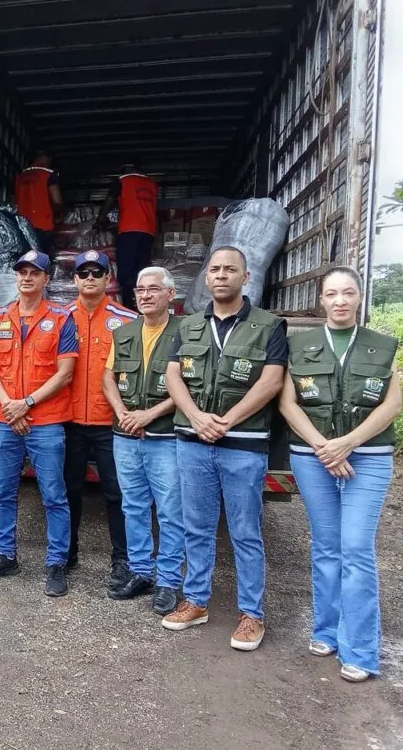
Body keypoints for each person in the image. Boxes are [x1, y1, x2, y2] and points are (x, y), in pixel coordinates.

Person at [162, 247, 287, 651]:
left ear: (245, 277)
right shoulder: (188, 325)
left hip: (243, 445)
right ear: (207, 278)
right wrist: (197, 417)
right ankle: (196, 602)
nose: (220, 275)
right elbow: (173, 376)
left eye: (229, 269)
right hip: (193, 441)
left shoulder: (269, 325)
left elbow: (271, 382)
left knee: (245, 531)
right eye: (214, 269)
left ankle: (251, 613)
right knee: (196, 527)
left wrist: (226, 420)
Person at [279, 266, 400, 682]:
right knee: (327, 546)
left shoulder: (381, 345)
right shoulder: (301, 344)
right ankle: (326, 631)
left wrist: (346, 444)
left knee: (356, 549)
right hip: (312, 457)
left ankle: (362, 650)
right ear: (321, 300)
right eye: (332, 294)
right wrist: (323, 446)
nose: (341, 301)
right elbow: (288, 402)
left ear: (360, 296)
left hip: (368, 457)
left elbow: (390, 404)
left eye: (348, 293)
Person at [0, 250, 78, 597]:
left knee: (53, 495)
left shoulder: (62, 319)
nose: (26, 277)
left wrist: (26, 404)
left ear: (46, 279)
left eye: (35, 273)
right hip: (4, 419)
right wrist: (8, 405)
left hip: (46, 421)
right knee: (4, 492)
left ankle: (56, 563)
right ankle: (6, 555)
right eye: (22, 272)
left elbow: (65, 374)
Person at [101, 267, 184, 615]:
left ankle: (168, 580)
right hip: (125, 435)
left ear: (171, 294)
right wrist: (122, 412)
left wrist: (148, 416)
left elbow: (191, 385)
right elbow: (108, 376)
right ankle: (140, 572)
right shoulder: (124, 333)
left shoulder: (188, 331)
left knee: (169, 511)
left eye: (154, 289)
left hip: (163, 435)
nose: (146, 295)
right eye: (140, 290)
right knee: (132, 506)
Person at [64, 250, 137, 590]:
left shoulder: (127, 321)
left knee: (117, 493)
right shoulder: (62, 318)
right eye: (83, 272)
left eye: (97, 272)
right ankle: (67, 551)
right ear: (74, 280)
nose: (90, 278)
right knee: (68, 491)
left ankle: (122, 559)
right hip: (69, 420)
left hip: (111, 424)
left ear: (109, 279)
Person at [96, 163, 158, 307]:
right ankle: (143, 303)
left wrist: (101, 219)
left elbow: (109, 202)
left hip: (129, 230)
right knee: (142, 270)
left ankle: (128, 304)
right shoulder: (151, 184)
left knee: (125, 272)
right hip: (148, 231)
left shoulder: (122, 180)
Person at [14, 151, 64, 252]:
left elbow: (13, 201)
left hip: (21, 226)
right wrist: (58, 217)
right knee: (40, 260)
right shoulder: (49, 175)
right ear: (49, 158)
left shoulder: (20, 176)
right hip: (42, 226)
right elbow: (57, 201)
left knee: (25, 259)